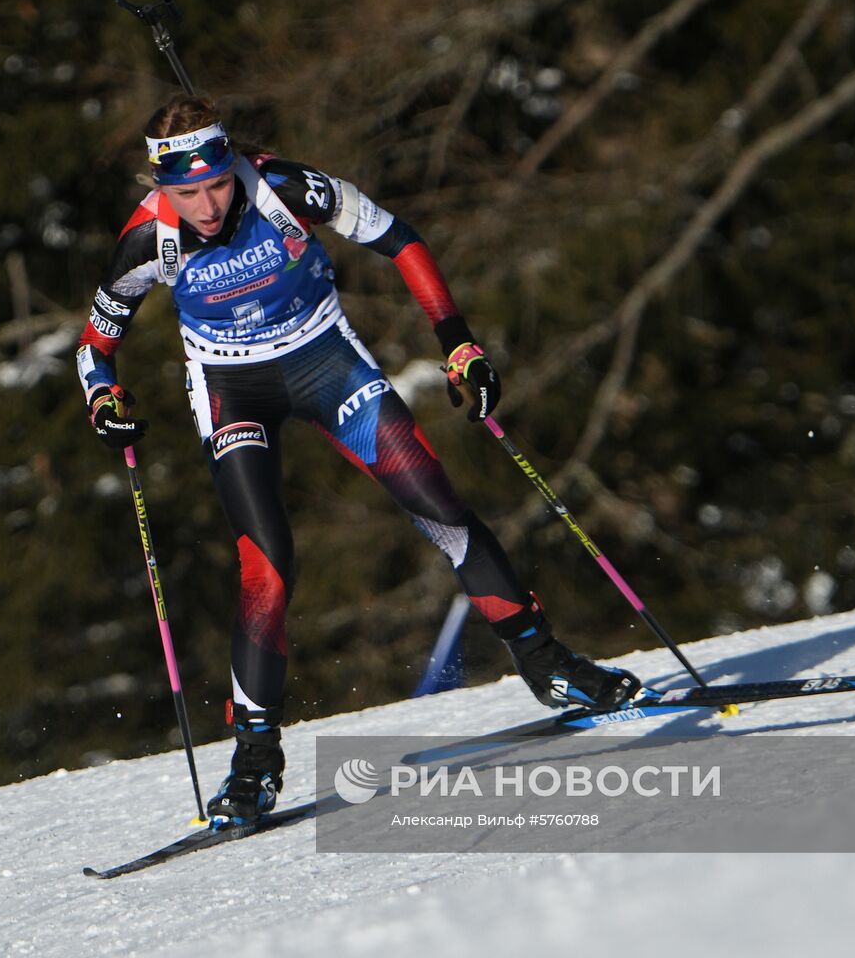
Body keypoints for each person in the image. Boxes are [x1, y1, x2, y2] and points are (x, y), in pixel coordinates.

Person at [77, 95, 641, 825]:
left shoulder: (282, 188)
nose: (209, 206)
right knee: (267, 564)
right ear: (160, 188)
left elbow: (399, 239)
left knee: (440, 509)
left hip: (325, 362)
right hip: (229, 388)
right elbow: (96, 346)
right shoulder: (144, 240)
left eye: (217, 184)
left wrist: (458, 342)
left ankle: (550, 667)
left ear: (233, 164)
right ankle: (254, 760)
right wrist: (104, 401)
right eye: (187, 193)